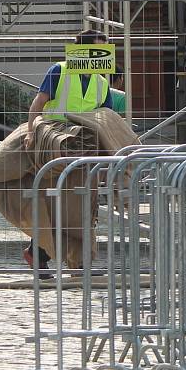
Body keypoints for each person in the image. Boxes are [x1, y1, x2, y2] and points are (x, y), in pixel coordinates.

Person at [23, 29, 113, 274]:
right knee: (54, 202)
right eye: (98, 50)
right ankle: (37, 253)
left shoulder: (101, 82)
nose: (102, 55)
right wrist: (32, 132)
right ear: (81, 51)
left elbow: (107, 118)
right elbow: (38, 103)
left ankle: (80, 261)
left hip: (84, 148)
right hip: (56, 144)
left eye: (105, 50)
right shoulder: (59, 71)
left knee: (85, 203)